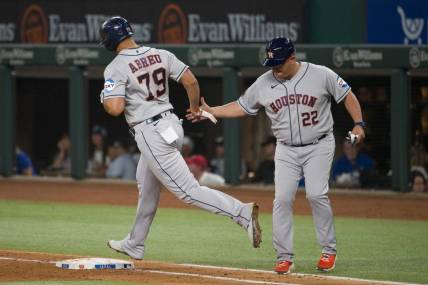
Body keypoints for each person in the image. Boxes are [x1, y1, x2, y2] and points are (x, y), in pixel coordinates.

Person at [187, 37, 366, 274]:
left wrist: (359, 124)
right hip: (286, 148)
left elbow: (347, 95)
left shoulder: (321, 74)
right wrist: (212, 111)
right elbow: (242, 105)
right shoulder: (264, 83)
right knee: (282, 199)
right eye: (272, 63)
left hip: (319, 144)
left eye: (280, 63)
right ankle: (284, 256)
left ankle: (328, 250)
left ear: (293, 57)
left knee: (316, 194)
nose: (275, 68)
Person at [98, 16, 261, 259]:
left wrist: (104, 95)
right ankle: (135, 243)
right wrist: (195, 108)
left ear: (110, 40)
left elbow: (115, 108)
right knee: (147, 187)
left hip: (151, 131)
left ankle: (241, 213)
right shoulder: (160, 53)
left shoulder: (115, 67)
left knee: (188, 191)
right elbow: (191, 81)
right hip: (171, 125)